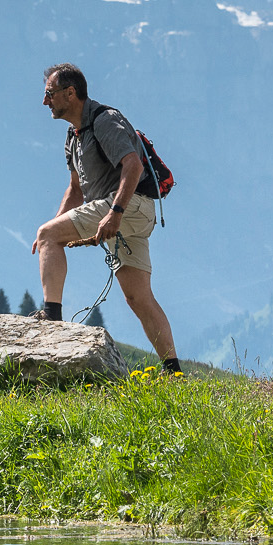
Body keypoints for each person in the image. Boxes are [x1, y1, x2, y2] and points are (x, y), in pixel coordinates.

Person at [30, 63, 182, 375]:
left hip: (127, 206)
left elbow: (133, 166)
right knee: (138, 297)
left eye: (49, 94)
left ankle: (52, 317)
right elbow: (75, 190)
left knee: (48, 234)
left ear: (70, 93)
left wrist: (114, 213)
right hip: (133, 213)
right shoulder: (73, 137)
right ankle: (173, 371)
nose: (45, 101)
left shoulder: (105, 121)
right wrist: (54, 229)